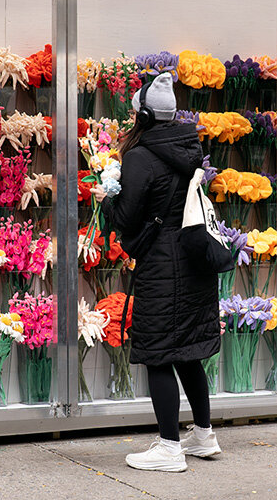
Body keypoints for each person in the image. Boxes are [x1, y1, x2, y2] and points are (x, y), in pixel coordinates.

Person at [92, 73, 221, 472]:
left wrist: (106, 198)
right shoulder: (188, 147)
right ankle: (202, 435)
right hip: (193, 259)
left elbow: (129, 220)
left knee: (159, 353)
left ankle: (169, 447)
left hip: (163, 265)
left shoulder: (140, 156)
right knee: (188, 352)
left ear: (143, 115)